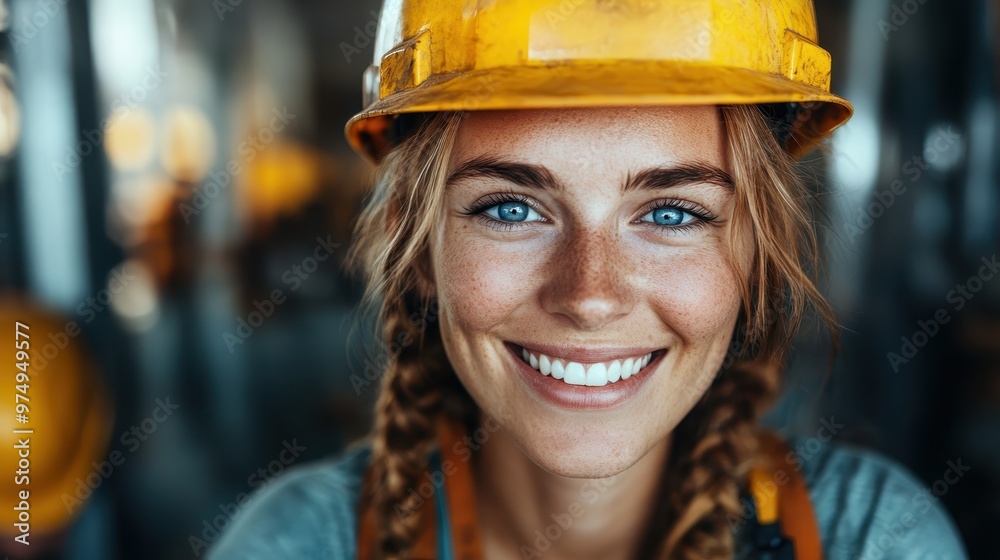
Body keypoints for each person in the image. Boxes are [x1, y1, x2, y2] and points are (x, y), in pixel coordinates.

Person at [210, 1, 969, 558]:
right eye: (512, 208)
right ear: (420, 248)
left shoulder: (873, 537)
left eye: (671, 214)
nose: (590, 295)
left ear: (754, 258)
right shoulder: (296, 544)